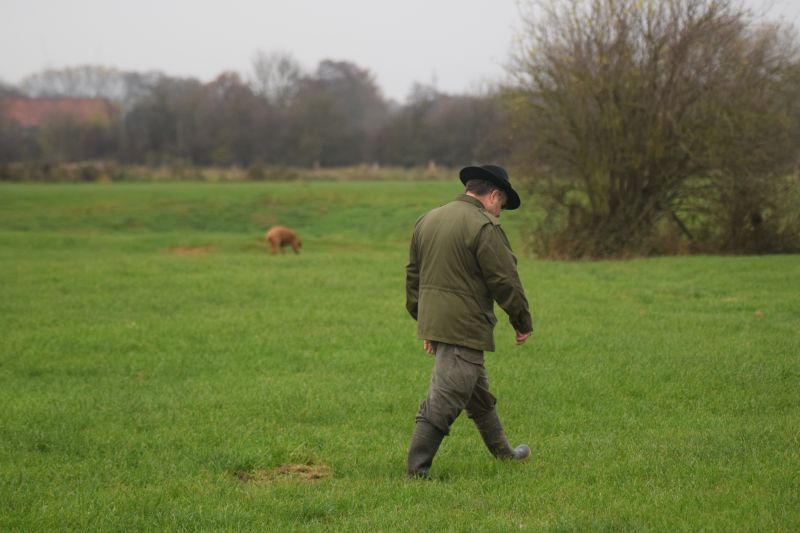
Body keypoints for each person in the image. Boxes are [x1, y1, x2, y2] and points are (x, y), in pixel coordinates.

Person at [405, 164, 534, 479]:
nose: (500, 213)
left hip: (439, 322)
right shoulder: (483, 226)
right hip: (464, 325)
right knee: (445, 398)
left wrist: (426, 322)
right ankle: (416, 473)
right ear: (493, 195)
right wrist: (522, 320)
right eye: (502, 205)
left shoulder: (428, 219)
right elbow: (504, 279)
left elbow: (413, 276)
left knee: (477, 394)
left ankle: (505, 454)